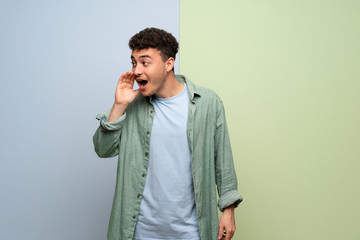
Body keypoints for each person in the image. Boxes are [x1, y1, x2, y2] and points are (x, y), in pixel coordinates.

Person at [93, 27, 242, 240]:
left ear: (168, 63)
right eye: (134, 62)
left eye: (145, 62)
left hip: (191, 231)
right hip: (140, 231)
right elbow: (103, 149)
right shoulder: (131, 105)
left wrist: (228, 210)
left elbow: (223, 160)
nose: (136, 71)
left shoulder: (208, 103)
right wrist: (118, 106)